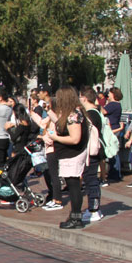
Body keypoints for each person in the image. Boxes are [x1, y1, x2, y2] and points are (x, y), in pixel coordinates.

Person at [44, 86, 90, 229]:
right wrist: (49, 112)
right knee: (72, 184)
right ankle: (75, 215)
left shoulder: (73, 114)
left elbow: (75, 138)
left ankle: (76, 218)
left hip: (73, 154)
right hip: (69, 154)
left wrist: (55, 137)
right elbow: (61, 123)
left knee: (74, 185)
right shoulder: (73, 112)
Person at [79, 87, 105, 224]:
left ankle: (94, 209)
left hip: (92, 151)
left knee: (91, 179)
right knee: (90, 178)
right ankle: (93, 208)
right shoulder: (95, 112)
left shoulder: (90, 114)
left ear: (84, 98)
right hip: (93, 150)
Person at [103, 88, 124, 183]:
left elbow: (104, 111)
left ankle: (115, 173)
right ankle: (114, 172)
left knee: (113, 151)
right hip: (115, 128)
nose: (108, 95)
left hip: (113, 129)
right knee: (114, 151)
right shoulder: (118, 105)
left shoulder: (113, 104)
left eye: (110, 94)